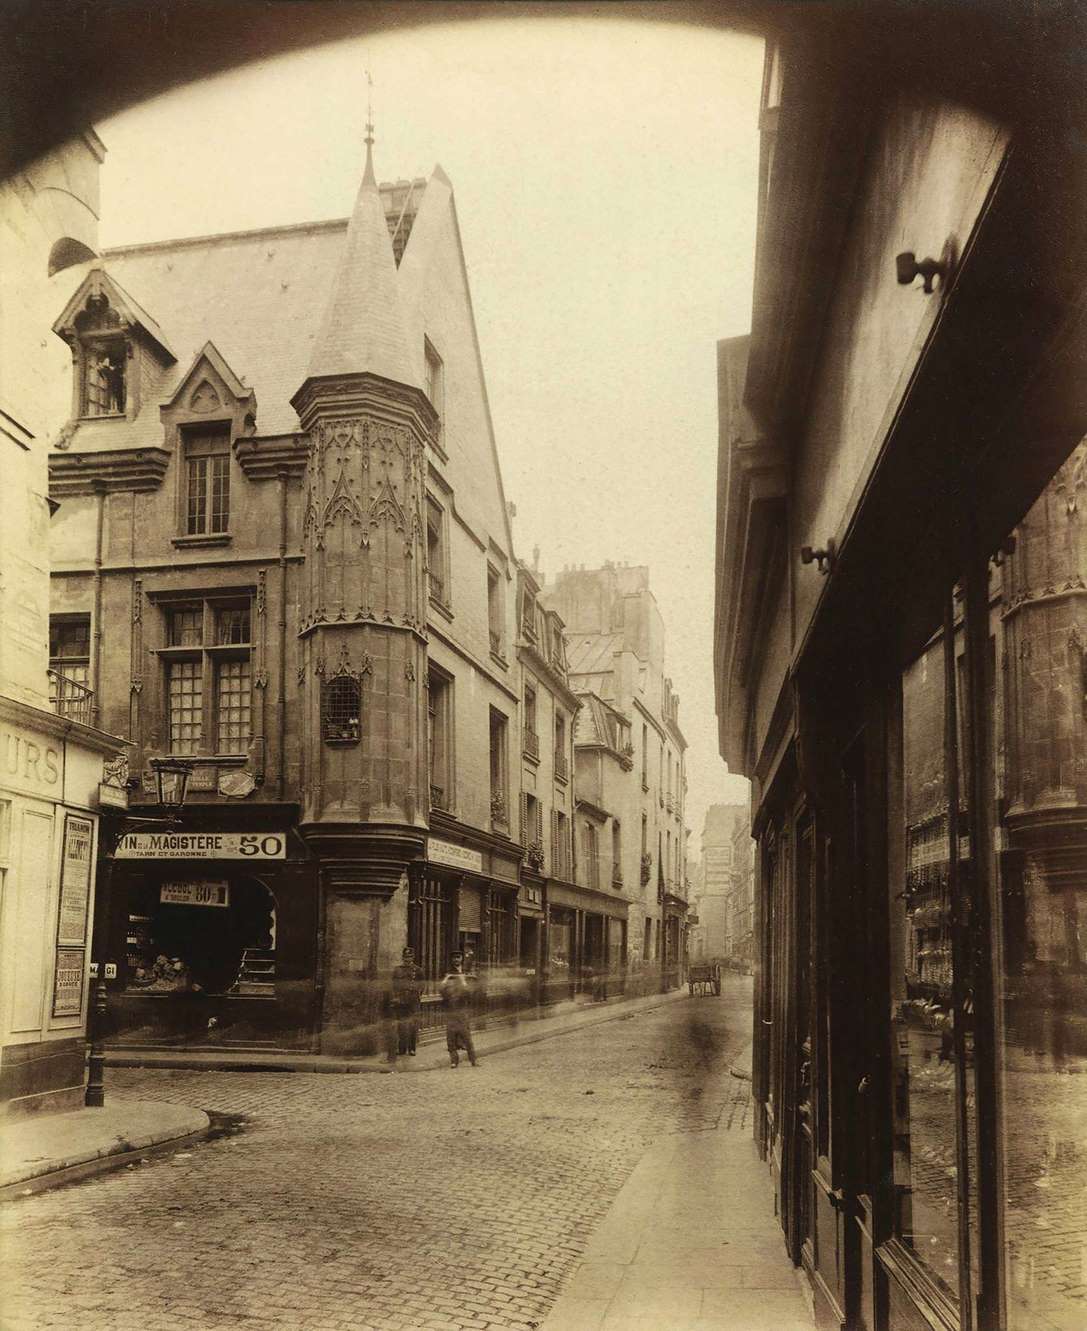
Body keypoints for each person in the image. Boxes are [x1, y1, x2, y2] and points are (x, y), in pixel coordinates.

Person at [439, 952, 478, 1068]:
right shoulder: (447, 972)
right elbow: (441, 990)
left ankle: (473, 1060)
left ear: (461, 959)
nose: (456, 960)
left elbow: (470, 992)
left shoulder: (466, 971)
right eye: (454, 958)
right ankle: (454, 1061)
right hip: (450, 1009)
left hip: (462, 1009)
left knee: (466, 1036)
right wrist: (446, 979)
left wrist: (462, 980)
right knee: (450, 1038)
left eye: (458, 957)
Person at [389, 946, 423, 1057]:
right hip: (401, 1001)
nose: (407, 959)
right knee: (401, 1025)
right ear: (402, 957)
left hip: (413, 1001)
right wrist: (395, 998)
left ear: (413, 957)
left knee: (413, 1025)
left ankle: (412, 1048)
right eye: (405, 956)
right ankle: (402, 1048)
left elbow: (422, 986)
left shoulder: (418, 970)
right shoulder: (397, 970)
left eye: (409, 956)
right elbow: (393, 985)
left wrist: (417, 997)